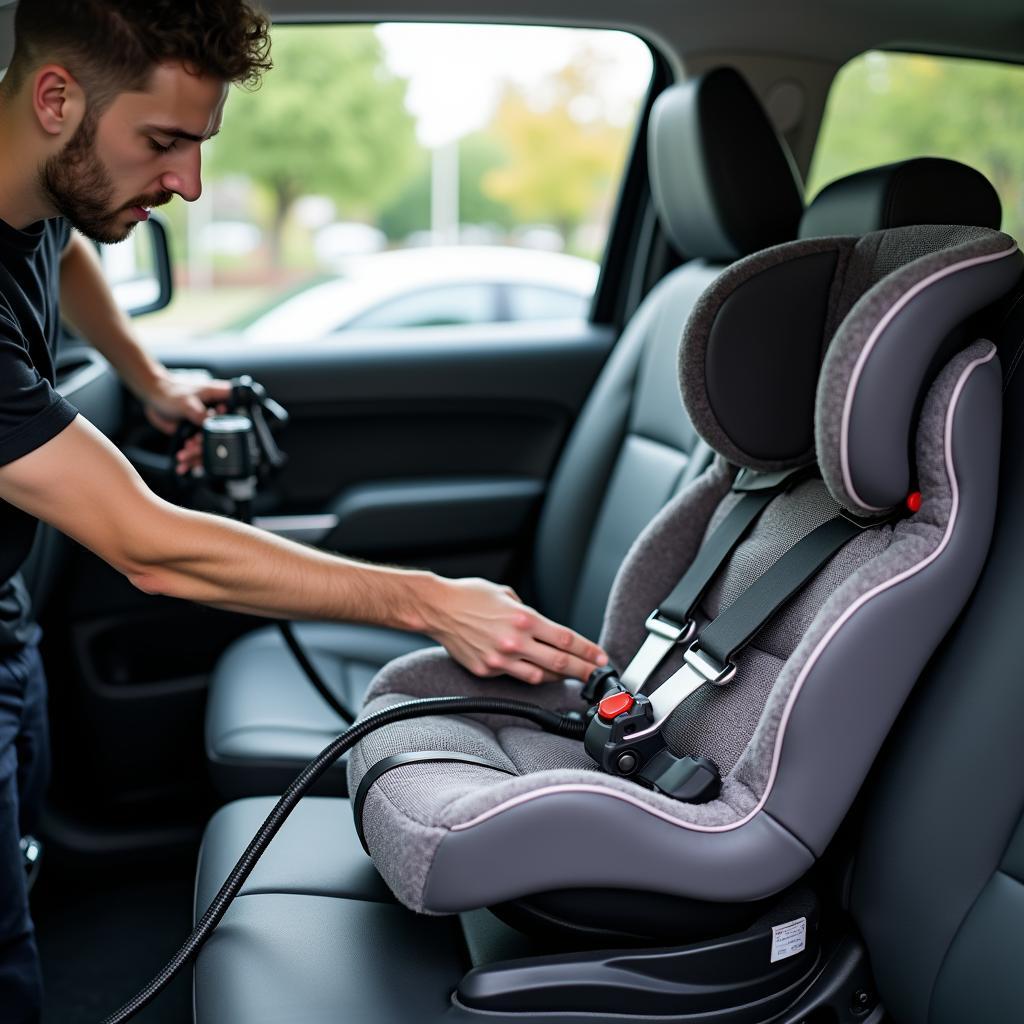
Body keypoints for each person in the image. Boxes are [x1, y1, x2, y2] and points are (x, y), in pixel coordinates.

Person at [0, 3, 608, 1020]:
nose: (188, 183)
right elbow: (150, 547)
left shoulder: (40, 187)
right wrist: (428, 603)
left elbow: (58, 247)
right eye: (165, 142)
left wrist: (148, 380)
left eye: (201, 143)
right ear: (56, 97)